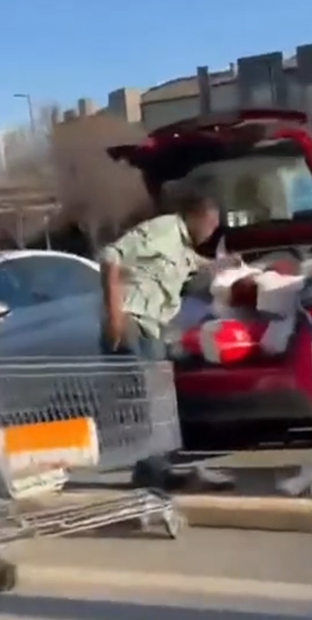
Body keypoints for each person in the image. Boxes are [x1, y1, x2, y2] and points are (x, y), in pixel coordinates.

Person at [99, 189, 235, 488]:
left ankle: (154, 469)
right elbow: (111, 257)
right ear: (198, 217)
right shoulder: (163, 230)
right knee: (147, 399)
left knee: (158, 400)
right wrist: (114, 314)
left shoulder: (183, 247)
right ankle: (152, 472)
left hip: (153, 328)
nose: (213, 232)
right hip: (133, 323)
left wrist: (222, 266)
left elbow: (192, 263)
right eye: (211, 225)